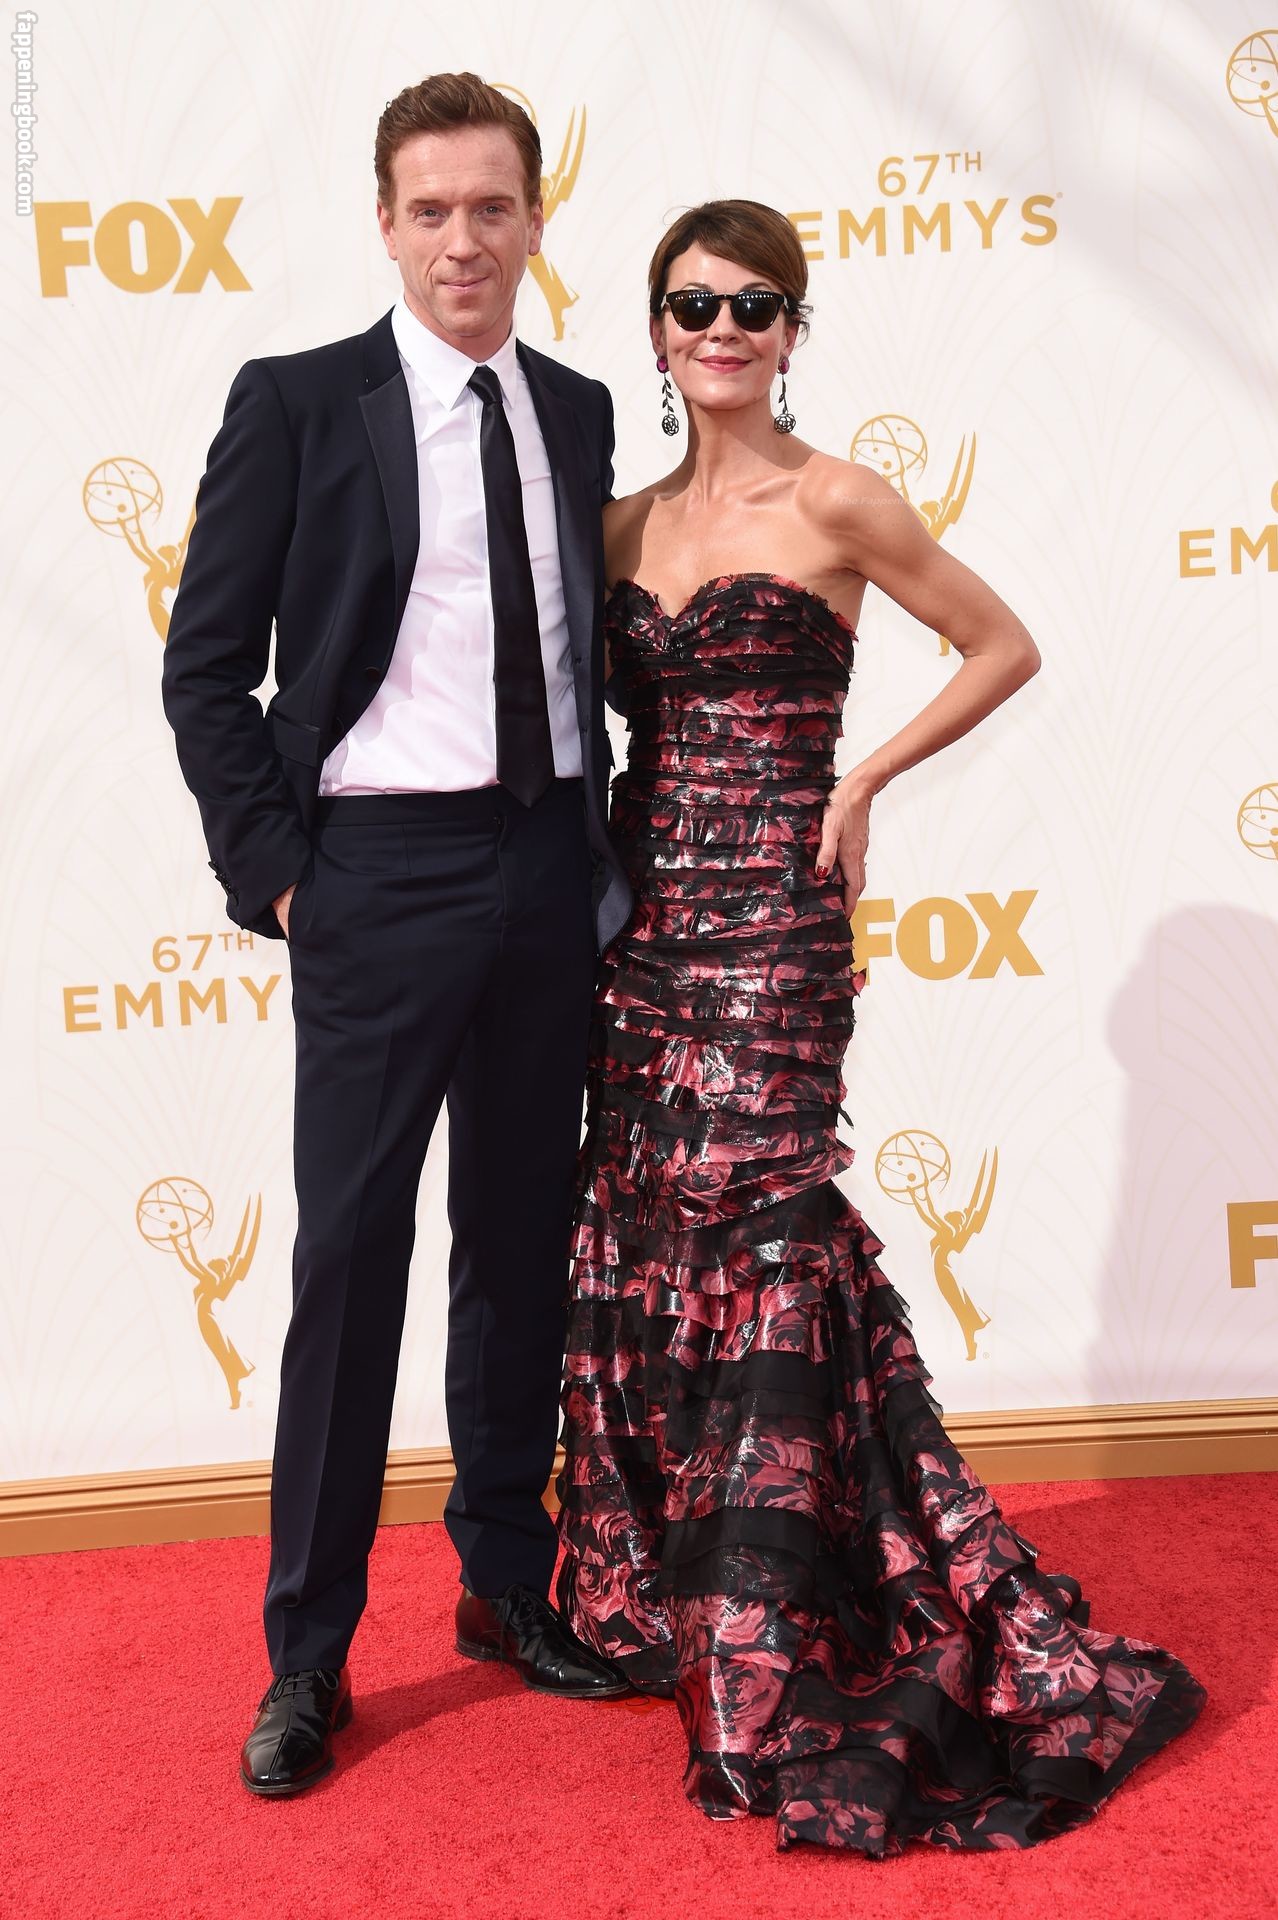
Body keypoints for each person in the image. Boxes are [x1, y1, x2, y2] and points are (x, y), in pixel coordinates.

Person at [553, 198, 1205, 1854]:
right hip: (640, 931)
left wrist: (863, 779)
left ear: (791, 329)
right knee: (650, 1227)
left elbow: (1001, 644)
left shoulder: (837, 497)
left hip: (776, 928)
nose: (720, 328)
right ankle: (684, 1584)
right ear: (654, 329)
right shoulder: (613, 523)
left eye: (752, 304)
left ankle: (776, 1604)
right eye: (692, 302)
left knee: (768, 1226)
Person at [162, 72, 635, 1799]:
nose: (461, 239)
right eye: (430, 209)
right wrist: (287, 877)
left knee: (518, 1245)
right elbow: (206, 668)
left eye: (491, 206)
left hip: (546, 868)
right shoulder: (298, 402)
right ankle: (307, 1654)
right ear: (384, 222)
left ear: (533, 221)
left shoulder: (578, 409)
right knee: (348, 1262)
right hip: (378, 874)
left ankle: (508, 1583)